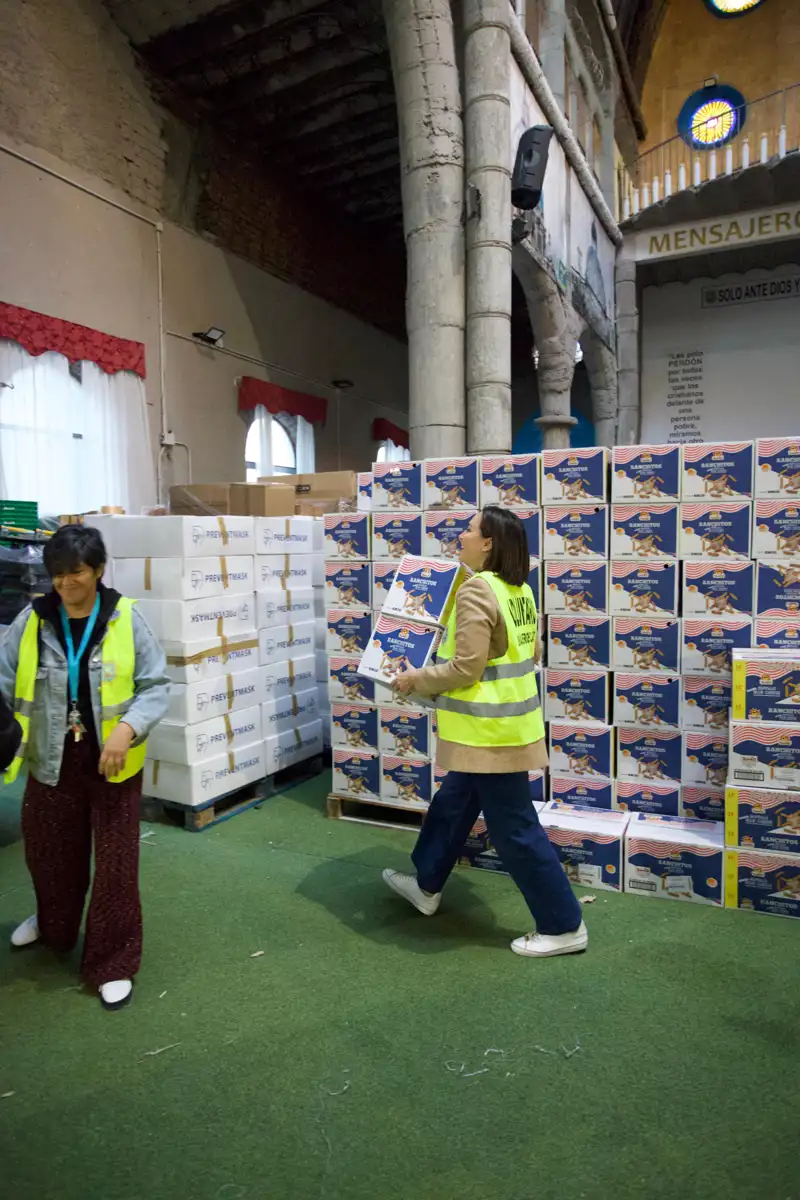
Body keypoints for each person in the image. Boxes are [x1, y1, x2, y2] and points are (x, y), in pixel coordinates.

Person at [382, 505, 587, 958]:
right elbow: (528, 651)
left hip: (488, 736)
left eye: (469, 530)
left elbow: (466, 668)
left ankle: (563, 925)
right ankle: (426, 884)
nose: (461, 535)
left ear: (489, 542)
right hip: (504, 730)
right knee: (453, 805)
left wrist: (417, 678)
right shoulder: (518, 590)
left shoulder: (477, 591)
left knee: (514, 829)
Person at [0, 524, 170, 1009]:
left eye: (75, 573)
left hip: (112, 763)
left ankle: (112, 961)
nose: (65, 584)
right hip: (50, 760)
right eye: (56, 575)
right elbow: (3, 681)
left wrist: (127, 729)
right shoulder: (31, 622)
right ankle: (54, 927)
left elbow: (155, 686)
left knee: (116, 865)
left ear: (97, 570)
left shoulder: (126, 619)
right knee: (49, 855)